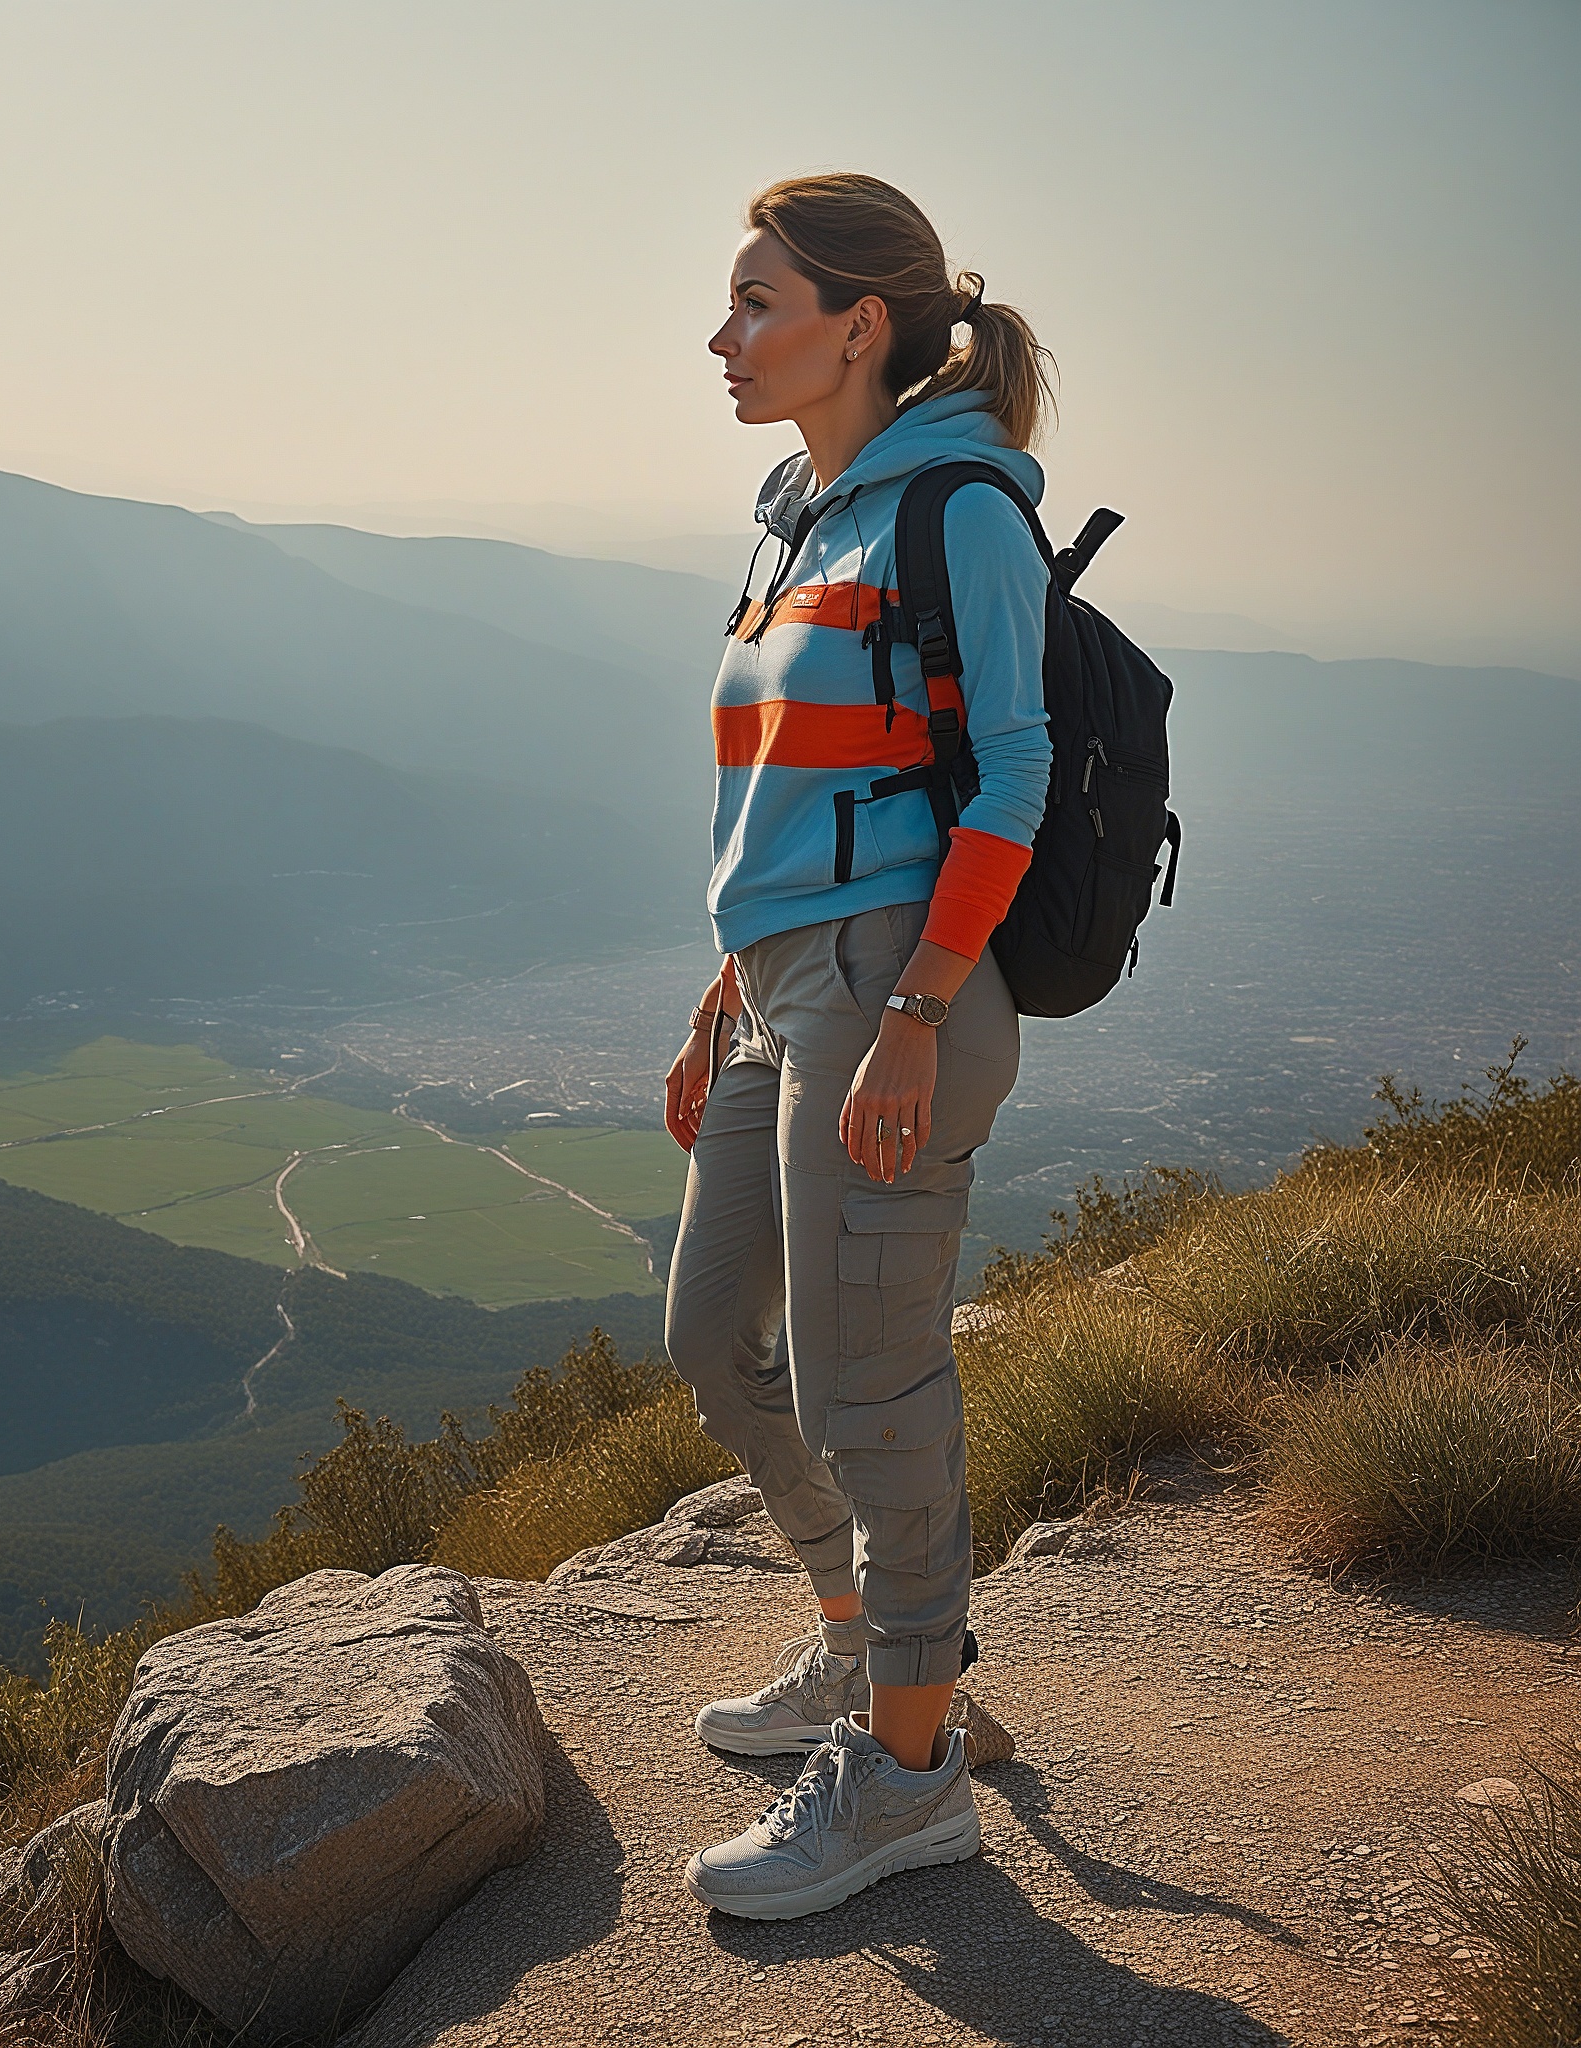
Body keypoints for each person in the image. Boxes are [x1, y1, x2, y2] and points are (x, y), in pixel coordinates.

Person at [661, 171, 1054, 1921]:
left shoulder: (954, 504)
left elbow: (1018, 778)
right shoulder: (801, 517)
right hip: (777, 992)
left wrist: (909, 1014)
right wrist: (712, 996)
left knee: (868, 1395)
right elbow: (778, 789)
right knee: (710, 1343)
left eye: (759, 302)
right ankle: (856, 1650)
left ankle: (908, 1777)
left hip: (897, 990)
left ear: (859, 323)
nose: (726, 336)